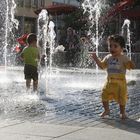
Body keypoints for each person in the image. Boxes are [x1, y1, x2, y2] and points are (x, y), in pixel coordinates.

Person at [91, 34, 135, 119]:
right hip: (109, 82)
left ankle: (122, 112)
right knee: (104, 94)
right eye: (110, 46)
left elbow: (130, 66)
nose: (112, 48)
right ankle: (106, 110)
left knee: (122, 98)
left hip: (120, 83)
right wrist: (96, 59)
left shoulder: (124, 58)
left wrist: (131, 64)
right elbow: (102, 66)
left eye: (115, 46)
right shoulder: (108, 57)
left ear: (122, 48)